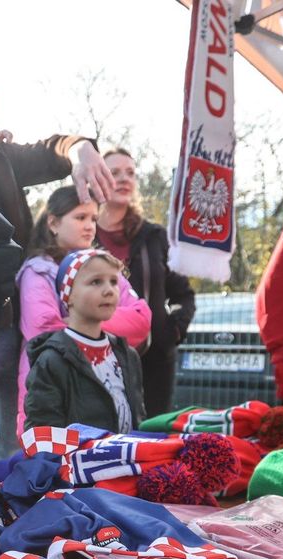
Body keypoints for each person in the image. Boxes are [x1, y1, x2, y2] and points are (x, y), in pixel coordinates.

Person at [0, 49, 115, 459]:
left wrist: (82, 149)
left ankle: (5, 521)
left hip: (13, 325)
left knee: (15, 445)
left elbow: (53, 150)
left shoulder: (3, 155)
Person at [17, 185, 151, 434]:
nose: (90, 226)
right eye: (80, 218)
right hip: (57, 413)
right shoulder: (38, 271)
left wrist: (88, 320)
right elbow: (44, 328)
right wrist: (92, 321)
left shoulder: (104, 266)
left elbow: (141, 320)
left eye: (94, 219)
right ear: (54, 223)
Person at [94, 148, 195, 416]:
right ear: (97, 179)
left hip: (153, 360)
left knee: (152, 437)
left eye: (130, 173)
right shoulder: (83, 233)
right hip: (94, 356)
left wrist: (170, 332)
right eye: (114, 172)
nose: (124, 179)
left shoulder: (154, 236)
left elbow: (183, 294)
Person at [24, 248, 145, 432]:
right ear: (69, 295)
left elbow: (138, 417)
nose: (109, 291)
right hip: (78, 460)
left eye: (114, 281)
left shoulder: (128, 355)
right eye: (96, 282)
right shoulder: (52, 361)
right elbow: (43, 434)